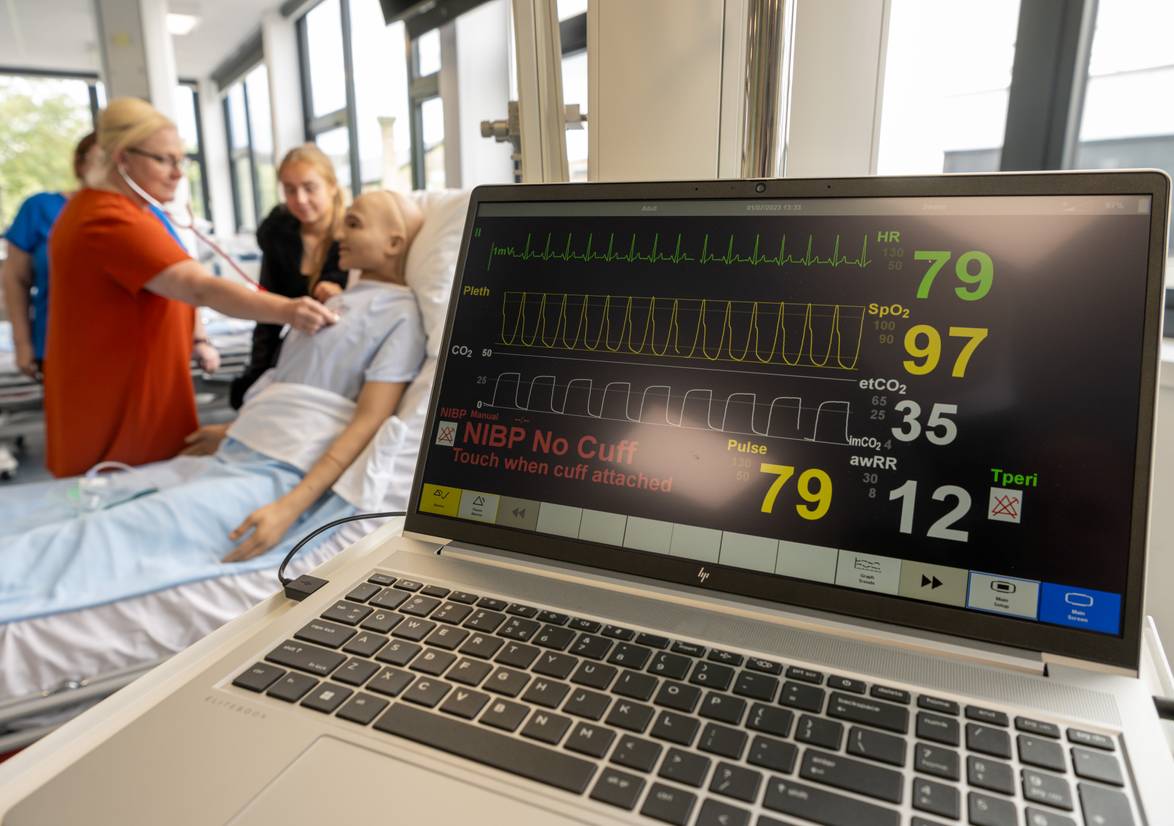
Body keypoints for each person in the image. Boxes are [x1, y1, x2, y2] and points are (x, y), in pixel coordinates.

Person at [0, 189, 426, 626]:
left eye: (354, 223)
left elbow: (368, 421)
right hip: (241, 453)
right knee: (95, 501)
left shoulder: (402, 317)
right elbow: (296, 385)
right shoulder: (334, 299)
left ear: (394, 243)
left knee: (110, 530)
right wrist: (232, 431)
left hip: (282, 475)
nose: (340, 232)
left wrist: (290, 507)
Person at [44, 97, 337, 478]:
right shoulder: (109, 220)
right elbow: (199, 288)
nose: (178, 173)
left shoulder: (100, 211)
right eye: (164, 159)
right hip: (120, 409)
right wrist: (290, 310)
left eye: (182, 160)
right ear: (122, 158)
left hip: (120, 393)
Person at [229, 144, 350, 409]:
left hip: (339, 361)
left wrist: (346, 295)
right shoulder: (279, 235)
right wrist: (256, 377)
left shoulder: (355, 235)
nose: (301, 200)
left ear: (331, 185)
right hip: (296, 354)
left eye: (310, 187)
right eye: (290, 190)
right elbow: (267, 316)